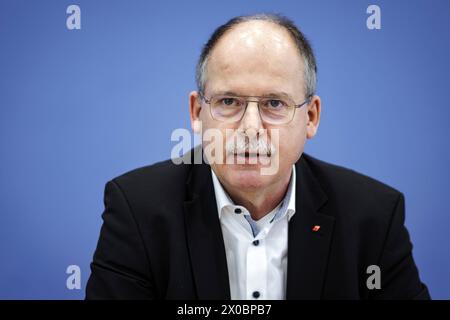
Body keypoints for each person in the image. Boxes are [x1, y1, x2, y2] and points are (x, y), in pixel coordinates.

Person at [86, 13, 429, 299]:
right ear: (196, 112)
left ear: (311, 117)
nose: (250, 128)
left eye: (274, 104)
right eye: (228, 102)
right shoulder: (137, 210)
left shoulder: (373, 217)